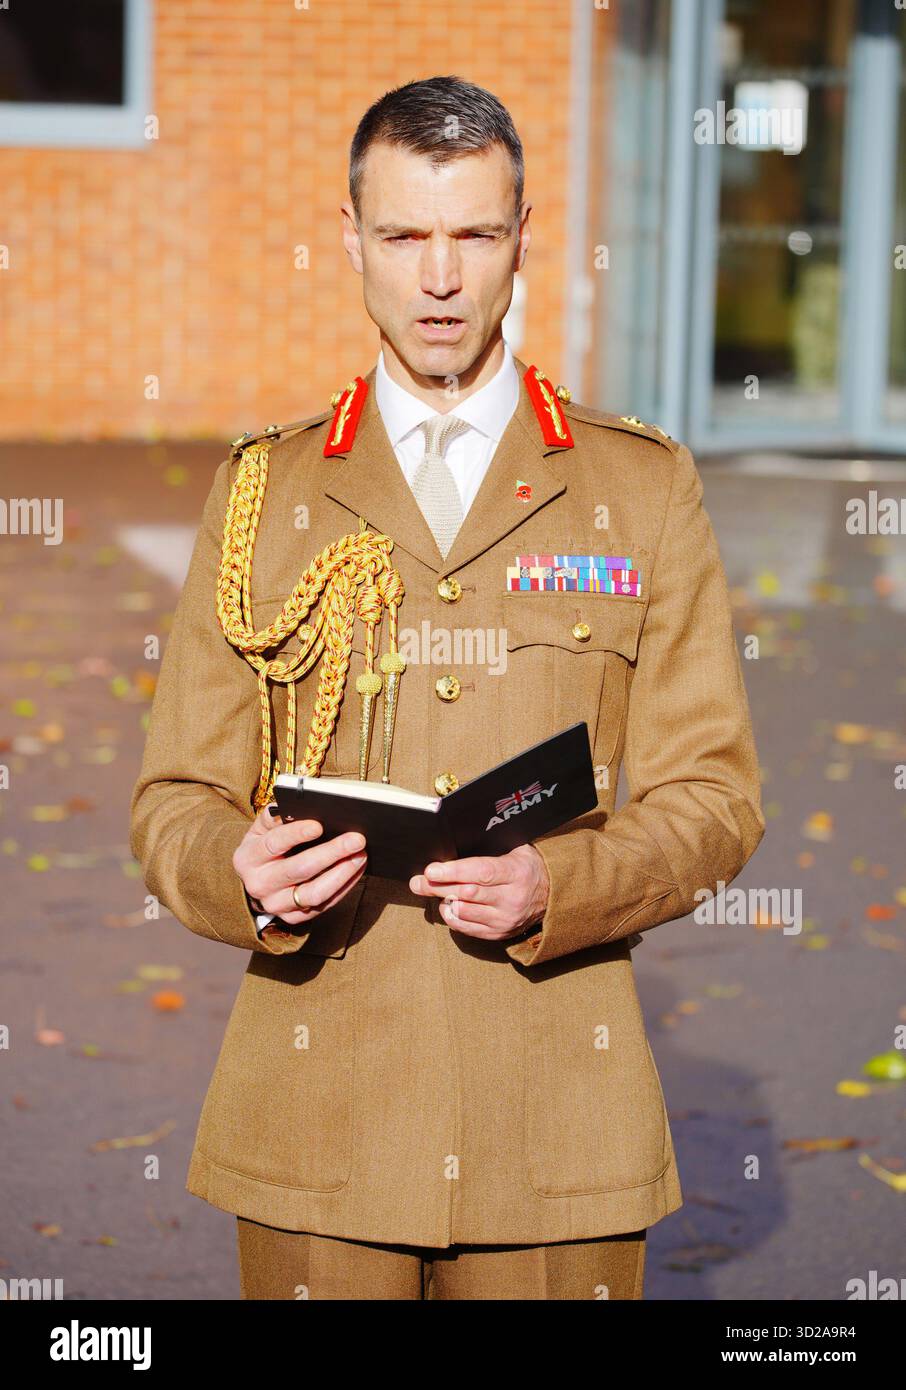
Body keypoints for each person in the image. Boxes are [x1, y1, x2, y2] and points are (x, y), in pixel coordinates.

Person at [130, 75, 764, 1301]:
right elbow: (174, 797)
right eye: (406, 235)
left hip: (555, 1126)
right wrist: (237, 875)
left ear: (521, 238)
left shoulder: (638, 489)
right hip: (320, 1122)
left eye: (473, 234)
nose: (439, 278)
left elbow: (713, 797)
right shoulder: (264, 494)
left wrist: (559, 883)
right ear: (352, 239)